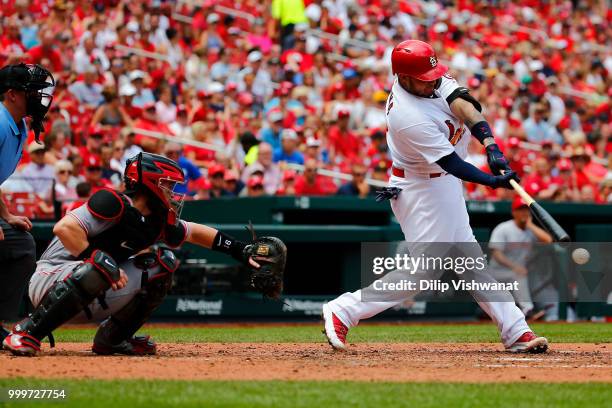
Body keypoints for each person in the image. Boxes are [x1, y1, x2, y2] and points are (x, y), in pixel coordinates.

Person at [322, 40, 549, 354]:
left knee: (470, 260)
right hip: (419, 188)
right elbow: (453, 164)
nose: (433, 81)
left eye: (433, 75)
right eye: (425, 78)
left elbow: (465, 105)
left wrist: (491, 145)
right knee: (423, 271)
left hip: (442, 185)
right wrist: (495, 182)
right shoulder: (406, 115)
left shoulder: (428, 79)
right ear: (403, 77)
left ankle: (516, 330)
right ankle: (344, 309)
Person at [3, 152, 285, 356]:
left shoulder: (158, 220)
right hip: (49, 278)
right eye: (169, 186)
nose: (174, 194)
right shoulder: (112, 202)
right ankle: (27, 331)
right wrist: (96, 258)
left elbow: (196, 232)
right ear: (151, 183)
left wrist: (239, 250)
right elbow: (64, 228)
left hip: (93, 285)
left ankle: (113, 339)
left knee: (164, 263)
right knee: (100, 264)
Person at [0, 63, 55, 344]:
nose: (39, 97)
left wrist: (6, 216)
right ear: (11, 94)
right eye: (31, 91)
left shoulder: (18, 124)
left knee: (20, 244)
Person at [488, 197, 554, 319]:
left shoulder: (530, 231)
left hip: (519, 272)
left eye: (526, 210)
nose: (524, 213)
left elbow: (548, 240)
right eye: (520, 210)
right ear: (514, 213)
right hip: (497, 273)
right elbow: (496, 254)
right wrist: (515, 267)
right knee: (519, 274)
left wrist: (530, 225)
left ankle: (550, 313)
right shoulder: (503, 228)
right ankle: (527, 309)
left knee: (531, 276)